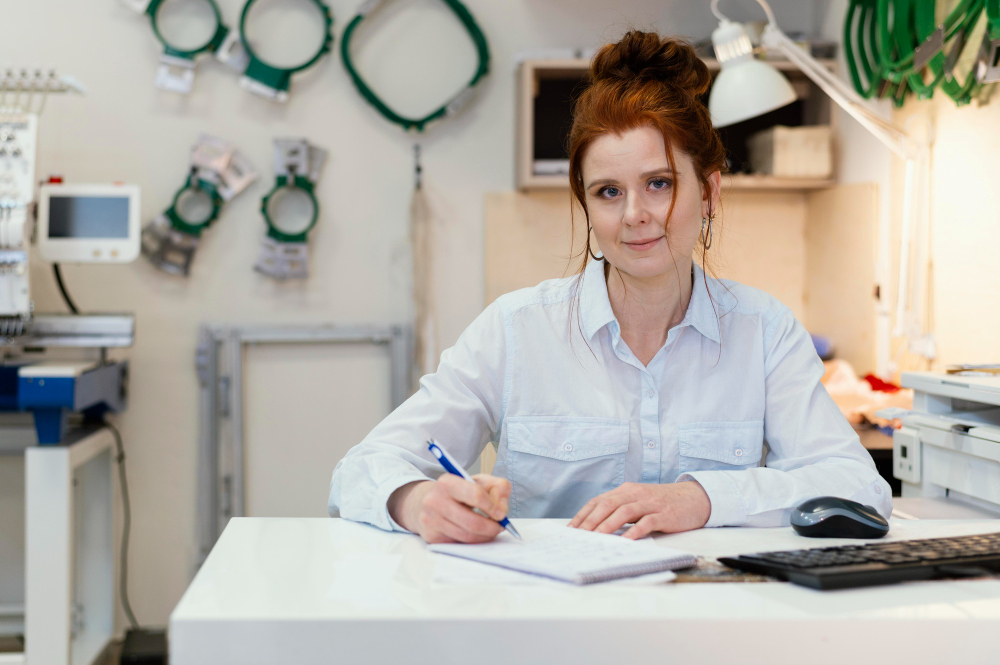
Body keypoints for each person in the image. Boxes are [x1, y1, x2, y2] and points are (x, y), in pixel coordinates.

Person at [329, 30, 892, 544]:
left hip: (707, 622)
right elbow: (361, 468)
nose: (635, 215)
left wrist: (700, 498)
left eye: (659, 183)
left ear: (711, 192)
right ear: (587, 206)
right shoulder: (516, 330)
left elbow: (858, 487)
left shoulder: (763, 332)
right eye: (607, 192)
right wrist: (419, 499)